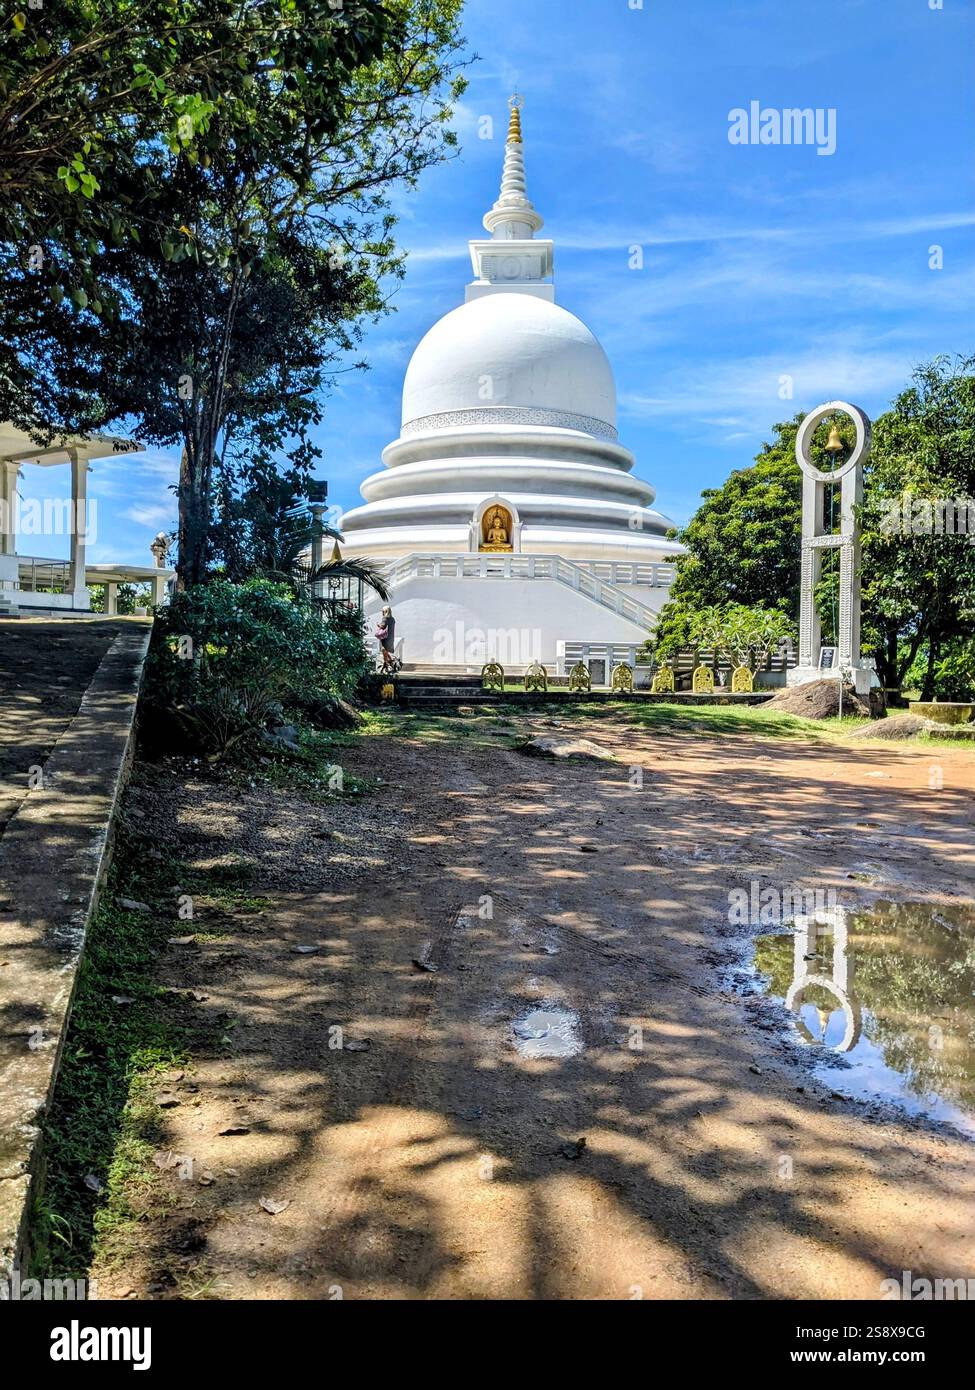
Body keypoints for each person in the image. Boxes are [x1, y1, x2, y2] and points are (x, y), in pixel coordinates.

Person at [376, 605, 396, 671]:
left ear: (385, 611)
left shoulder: (385, 618)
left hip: (385, 638)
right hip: (390, 637)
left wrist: (378, 625)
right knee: (385, 650)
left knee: (383, 650)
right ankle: (390, 661)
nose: (382, 612)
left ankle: (386, 664)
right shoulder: (392, 619)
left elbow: (383, 626)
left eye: (383, 611)